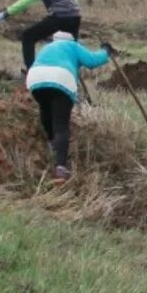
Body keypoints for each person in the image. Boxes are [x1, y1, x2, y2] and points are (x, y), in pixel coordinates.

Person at [25, 30, 110, 183]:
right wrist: (106, 51)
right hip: (61, 79)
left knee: (46, 111)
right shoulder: (73, 46)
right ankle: (61, 169)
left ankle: (52, 145)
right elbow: (92, 60)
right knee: (61, 125)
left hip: (35, 78)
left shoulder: (46, 48)